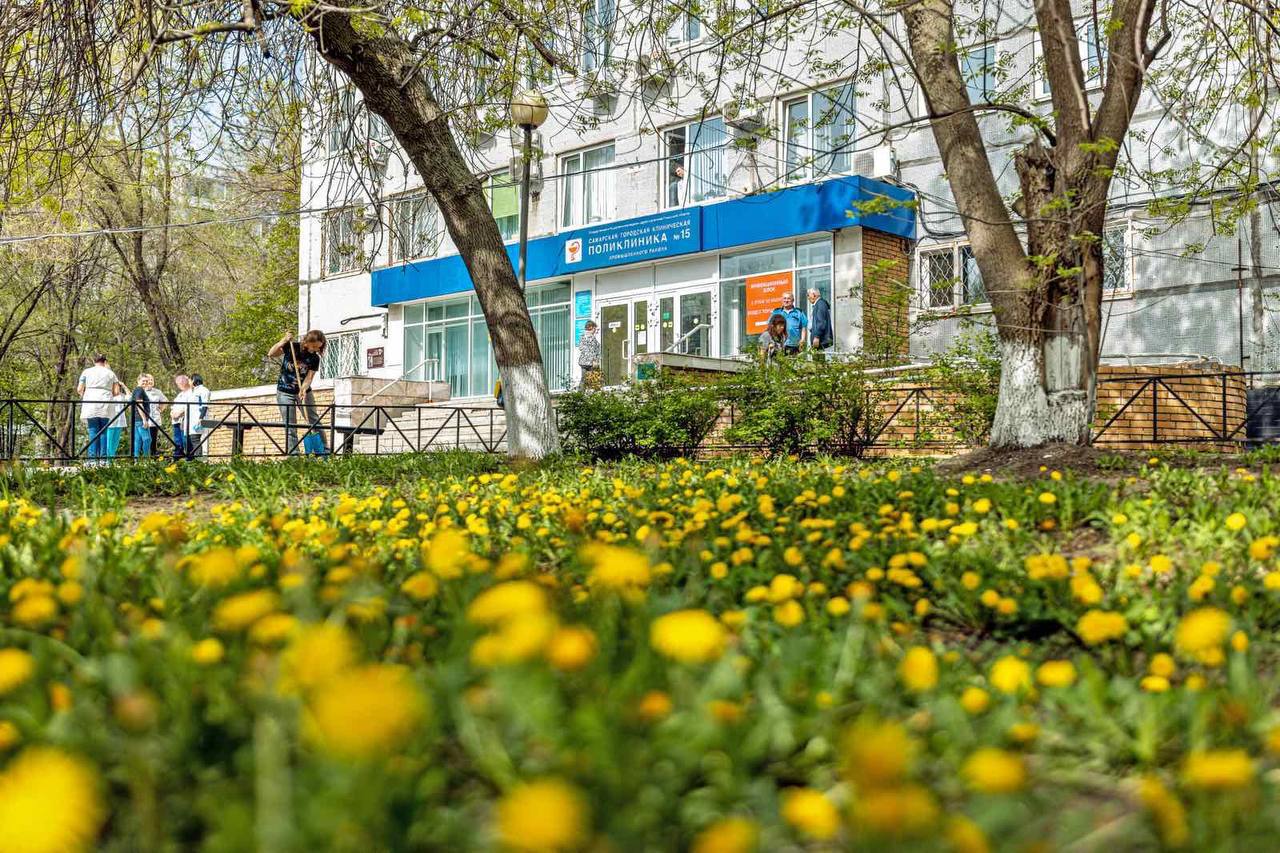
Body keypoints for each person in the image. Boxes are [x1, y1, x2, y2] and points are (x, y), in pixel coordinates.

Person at [268, 329, 328, 455]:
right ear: (306, 342)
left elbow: (309, 377)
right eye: (314, 346)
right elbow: (271, 353)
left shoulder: (315, 358)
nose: (316, 349)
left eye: (318, 347)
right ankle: (294, 453)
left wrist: (303, 389)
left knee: (313, 420)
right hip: (284, 391)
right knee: (290, 424)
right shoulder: (292, 347)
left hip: (303, 391)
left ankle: (324, 450)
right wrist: (284, 340)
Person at [76, 354, 121, 462]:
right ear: (105, 362)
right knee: (104, 431)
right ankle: (103, 459)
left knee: (93, 430)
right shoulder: (111, 373)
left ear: (94, 361)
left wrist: (85, 395)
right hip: (105, 401)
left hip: (90, 401)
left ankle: (92, 459)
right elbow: (116, 391)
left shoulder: (86, 372)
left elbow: (79, 389)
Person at [131, 374, 166, 457]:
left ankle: (136, 459)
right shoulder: (139, 390)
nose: (145, 382)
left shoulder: (137, 390)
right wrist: (144, 419)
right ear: (138, 381)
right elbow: (139, 405)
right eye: (143, 381)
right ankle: (146, 459)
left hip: (137, 419)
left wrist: (160, 409)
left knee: (138, 440)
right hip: (140, 419)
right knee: (147, 439)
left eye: (146, 381)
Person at [171, 375, 197, 460]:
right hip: (176, 421)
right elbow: (173, 406)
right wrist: (172, 413)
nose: (179, 385)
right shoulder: (180, 395)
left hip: (185, 421)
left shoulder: (191, 393)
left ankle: (189, 460)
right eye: (178, 383)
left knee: (186, 441)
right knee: (177, 442)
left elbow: (189, 406)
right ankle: (177, 460)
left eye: (180, 382)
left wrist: (180, 413)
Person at [189, 374, 211, 458]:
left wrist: (201, 418)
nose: (189, 382)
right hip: (194, 418)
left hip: (199, 418)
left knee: (195, 438)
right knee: (194, 439)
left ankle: (199, 460)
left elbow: (205, 405)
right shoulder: (194, 391)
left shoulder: (204, 390)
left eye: (190, 380)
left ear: (194, 380)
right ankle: (198, 460)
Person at [104, 385, 128, 459]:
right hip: (110, 421)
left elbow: (130, 398)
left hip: (120, 421)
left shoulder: (122, 395)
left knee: (116, 442)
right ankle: (108, 459)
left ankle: (112, 458)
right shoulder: (107, 394)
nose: (117, 388)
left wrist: (124, 386)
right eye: (115, 386)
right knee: (109, 441)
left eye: (118, 386)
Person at [807, 287, 834, 352]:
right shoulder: (818, 304)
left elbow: (821, 322)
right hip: (819, 340)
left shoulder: (820, 304)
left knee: (818, 357)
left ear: (814, 295)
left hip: (820, 340)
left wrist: (817, 336)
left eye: (808, 295)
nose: (808, 297)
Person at [577, 320, 602, 390]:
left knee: (585, 379)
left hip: (584, 362)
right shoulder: (589, 337)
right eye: (595, 328)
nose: (595, 330)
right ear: (591, 328)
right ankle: (589, 392)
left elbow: (581, 348)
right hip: (589, 363)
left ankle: (582, 393)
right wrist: (594, 360)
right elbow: (591, 350)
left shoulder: (584, 337)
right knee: (592, 378)